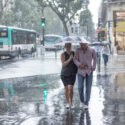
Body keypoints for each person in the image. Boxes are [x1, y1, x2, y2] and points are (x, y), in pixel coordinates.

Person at [74, 41, 97, 109]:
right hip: (80, 71)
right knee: (80, 87)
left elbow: (95, 58)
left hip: (89, 71)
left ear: (87, 44)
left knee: (88, 88)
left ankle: (86, 103)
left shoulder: (92, 50)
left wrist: (94, 67)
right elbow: (75, 59)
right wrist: (79, 65)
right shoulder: (77, 50)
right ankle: (82, 101)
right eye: (81, 45)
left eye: (84, 44)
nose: (82, 46)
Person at [61, 43, 77, 109]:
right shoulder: (63, 54)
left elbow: (77, 62)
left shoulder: (74, 53)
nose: (68, 47)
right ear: (65, 47)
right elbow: (63, 64)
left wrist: (76, 58)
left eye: (69, 46)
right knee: (66, 89)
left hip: (72, 73)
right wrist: (70, 59)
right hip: (64, 74)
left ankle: (71, 102)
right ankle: (67, 103)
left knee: (71, 88)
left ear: (71, 46)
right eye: (67, 46)